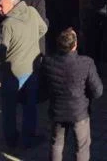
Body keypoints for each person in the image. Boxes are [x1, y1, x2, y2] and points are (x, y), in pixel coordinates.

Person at [39, 28, 103, 161]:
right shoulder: (86, 63)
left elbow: (43, 87)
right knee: (82, 147)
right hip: (79, 112)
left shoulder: (48, 62)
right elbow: (98, 91)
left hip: (57, 111)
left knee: (56, 144)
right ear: (75, 45)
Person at [0, 0, 47, 149]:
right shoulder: (32, 12)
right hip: (31, 69)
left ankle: (11, 139)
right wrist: (29, 41)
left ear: (12, 4)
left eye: (1, 5)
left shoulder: (7, 25)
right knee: (29, 106)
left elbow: (1, 51)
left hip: (12, 73)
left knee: (9, 108)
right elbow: (43, 29)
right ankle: (28, 138)